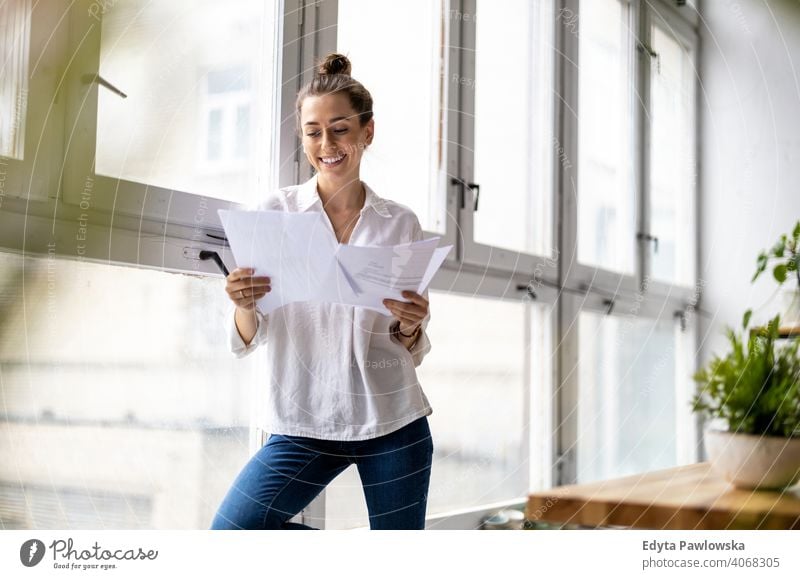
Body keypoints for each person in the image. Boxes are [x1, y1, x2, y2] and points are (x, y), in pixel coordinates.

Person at [209, 53, 434, 530]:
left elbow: (409, 345)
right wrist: (243, 304)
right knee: (232, 532)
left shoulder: (400, 222)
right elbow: (249, 335)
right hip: (303, 419)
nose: (326, 143)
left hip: (393, 421)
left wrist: (412, 324)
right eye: (313, 131)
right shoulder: (276, 211)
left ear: (366, 132)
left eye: (340, 129)